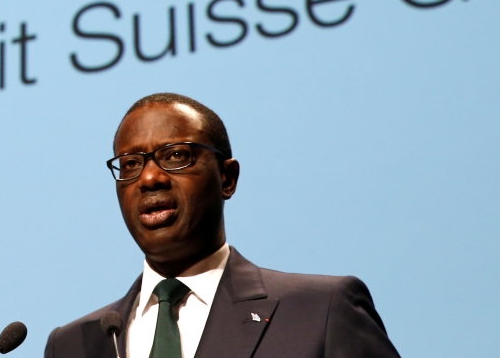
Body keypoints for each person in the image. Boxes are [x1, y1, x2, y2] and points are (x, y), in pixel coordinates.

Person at [44, 92, 400, 358]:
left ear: (227, 178)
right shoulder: (73, 345)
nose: (149, 177)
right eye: (130, 164)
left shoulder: (321, 311)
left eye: (175, 156)